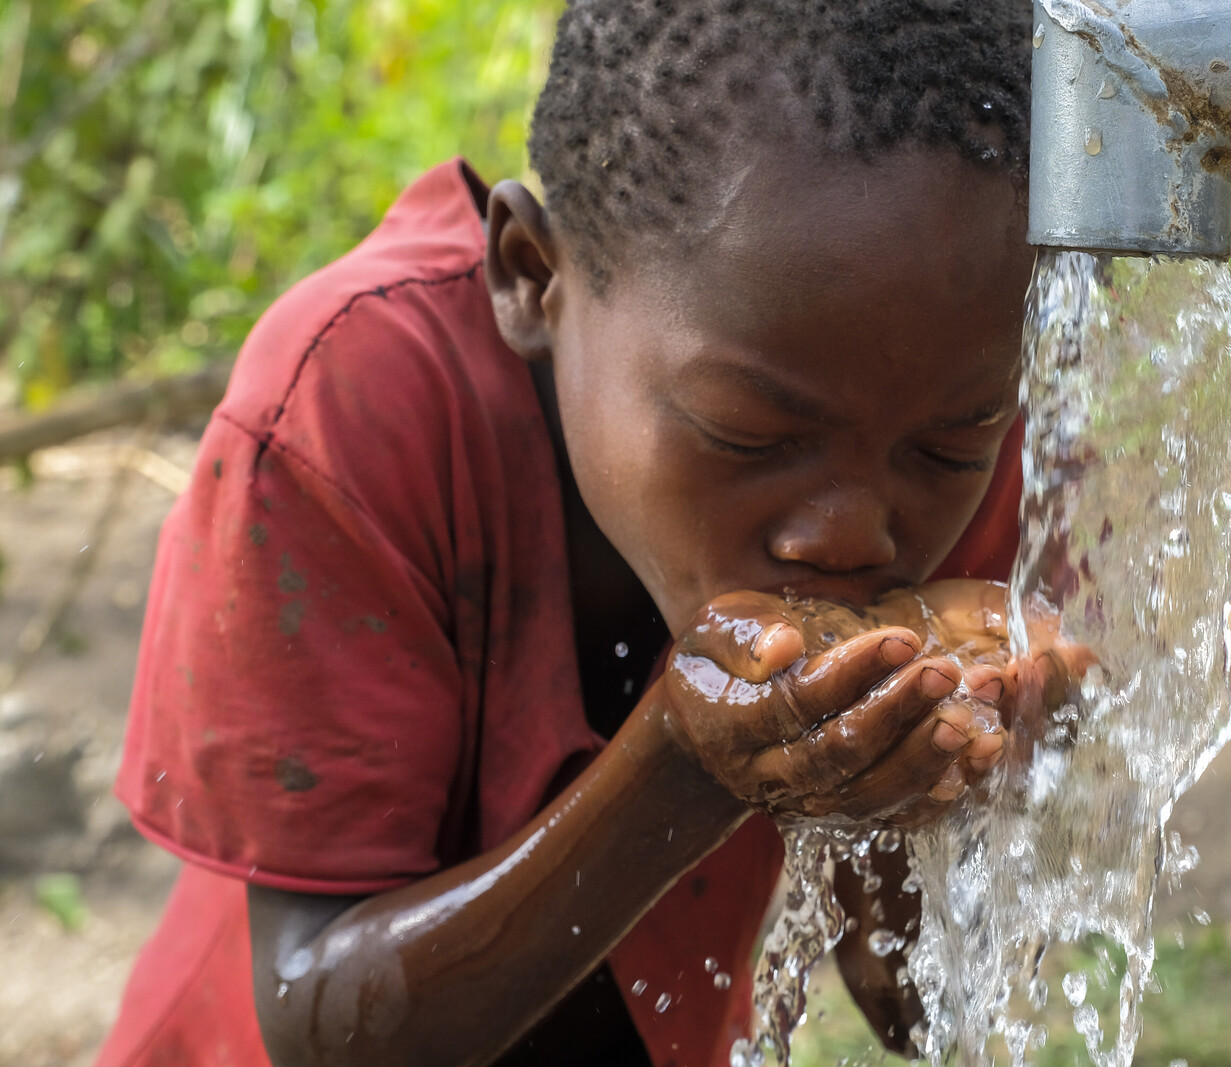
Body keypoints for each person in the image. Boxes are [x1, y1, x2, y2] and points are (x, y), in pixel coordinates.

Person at [96, 2, 1061, 1064]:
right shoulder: (353, 405)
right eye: (748, 434)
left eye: (945, 449)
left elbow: (922, 1013)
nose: (852, 533)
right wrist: (687, 766)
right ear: (532, 276)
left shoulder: (949, 425)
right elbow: (321, 1016)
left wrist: (936, 781)